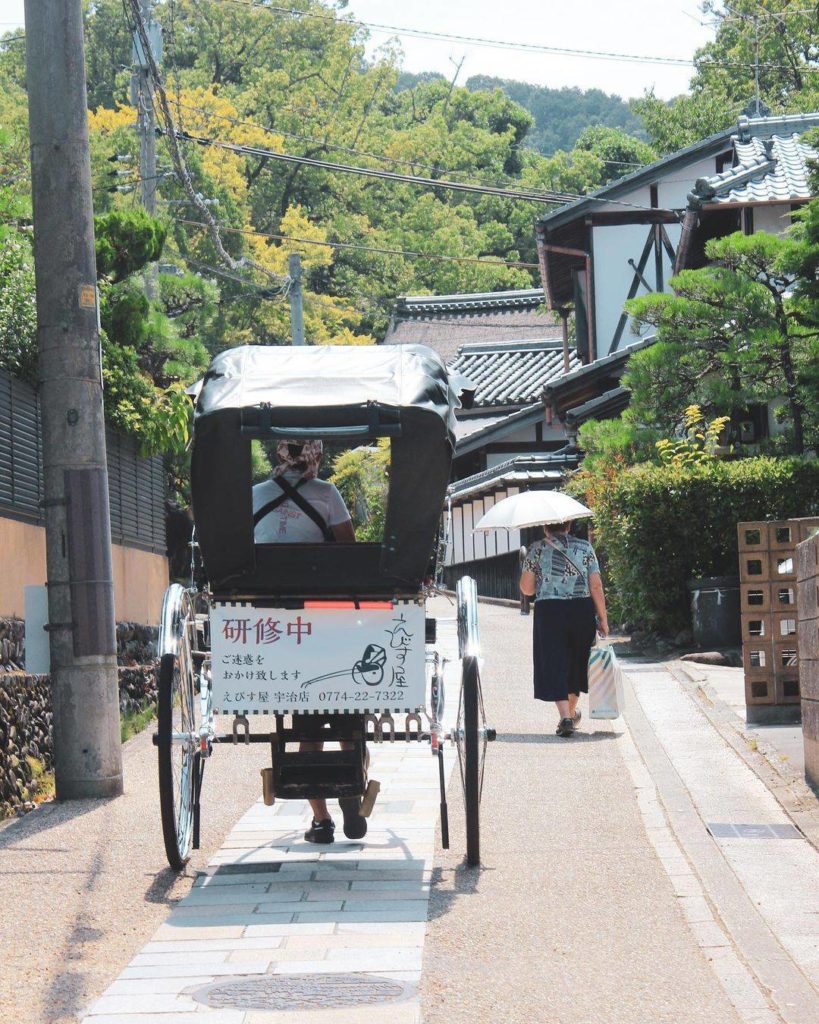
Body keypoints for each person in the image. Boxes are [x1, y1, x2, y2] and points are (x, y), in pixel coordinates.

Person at [253, 439, 363, 844]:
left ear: (279, 455)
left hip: (271, 631)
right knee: (349, 714)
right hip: (327, 625)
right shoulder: (328, 494)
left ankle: (321, 820)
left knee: (306, 726)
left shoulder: (253, 497)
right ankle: (351, 784)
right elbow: (349, 555)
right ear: (316, 456)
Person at [519, 520, 609, 738]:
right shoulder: (585, 547)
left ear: (545, 528)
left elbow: (527, 589)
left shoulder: (536, 549)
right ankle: (569, 713)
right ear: (569, 525)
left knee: (554, 661)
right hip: (581, 609)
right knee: (577, 661)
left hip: (549, 611)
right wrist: (603, 620)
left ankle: (566, 716)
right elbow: (595, 585)